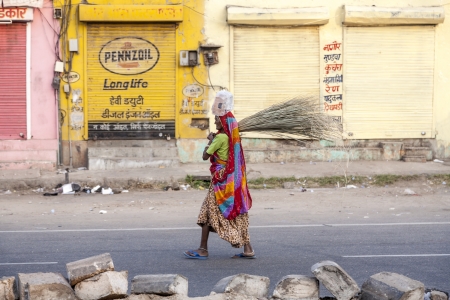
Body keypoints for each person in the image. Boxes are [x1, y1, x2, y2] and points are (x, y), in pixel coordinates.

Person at [184, 91, 255, 260]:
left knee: (207, 212)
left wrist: (210, 140)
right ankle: (248, 248)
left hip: (220, 180)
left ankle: (203, 249)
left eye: (217, 119)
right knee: (239, 211)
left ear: (223, 122)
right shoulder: (231, 136)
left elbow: (205, 156)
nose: (215, 120)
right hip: (234, 181)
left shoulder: (219, 138)